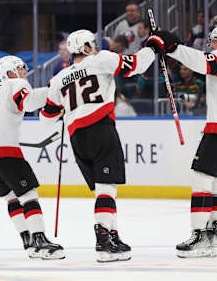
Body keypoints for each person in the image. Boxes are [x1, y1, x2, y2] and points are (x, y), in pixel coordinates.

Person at [40, 29, 155, 262]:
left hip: (77, 138)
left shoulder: (59, 77)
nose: (96, 47)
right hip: (100, 128)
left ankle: (112, 235)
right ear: (87, 47)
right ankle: (103, 241)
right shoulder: (101, 59)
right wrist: (153, 48)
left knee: (104, 189)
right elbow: (136, 65)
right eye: (93, 44)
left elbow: (46, 116)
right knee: (107, 187)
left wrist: (66, 108)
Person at [146, 24, 217, 258]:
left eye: (215, 41)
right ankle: (213, 236)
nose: (211, 46)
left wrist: (171, 46)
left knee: (201, 178)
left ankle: (199, 236)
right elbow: (203, 67)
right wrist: (171, 51)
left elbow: (200, 61)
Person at [0, 56, 64, 260]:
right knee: (28, 194)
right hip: (2, 152)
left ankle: (28, 242)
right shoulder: (17, 83)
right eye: (21, 69)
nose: (25, 73)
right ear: (11, 73)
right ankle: (40, 240)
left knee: (11, 198)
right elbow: (28, 103)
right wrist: (55, 91)